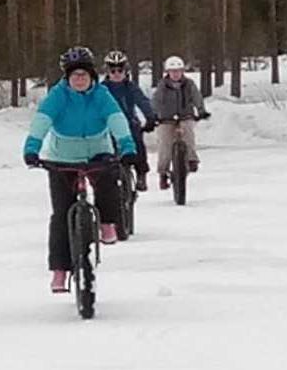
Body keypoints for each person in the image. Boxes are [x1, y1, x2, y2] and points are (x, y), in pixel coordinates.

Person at [23, 46, 137, 293]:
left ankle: (108, 222)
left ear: (92, 76)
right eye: (74, 75)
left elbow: (116, 119)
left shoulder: (102, 95)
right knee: (61, 216)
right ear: (67, 77)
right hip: (62, 158)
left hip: (98, 153)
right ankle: (60, 271)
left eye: (84, 75)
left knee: (110, 180)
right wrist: (32, 148)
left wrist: (127, 145)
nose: (79, 80)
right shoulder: (58, 96)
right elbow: (42, 121)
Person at [101, 49, 157, 191]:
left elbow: (142, 101)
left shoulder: (130, 87)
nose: (117, 74)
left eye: (120, 70)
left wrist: (150, 117)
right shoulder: (101, 89)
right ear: (107, 72)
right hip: (106, 125)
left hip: (128, 123)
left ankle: (141, 174)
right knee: (103, 151)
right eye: (112, 71)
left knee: (137, 142)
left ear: (126, 71)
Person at [151, 55, 210, 190]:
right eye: (172, 71)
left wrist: (201, 110)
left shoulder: (189, 84)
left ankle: (191, 159)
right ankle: (163, 173)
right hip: (166, 118)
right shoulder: (162, 86)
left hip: (185, 115)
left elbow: (197, 97)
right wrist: (153, 115)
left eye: (178, 71)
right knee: (165, 144)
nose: (175, 74)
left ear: (182, 71)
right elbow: (156, 101)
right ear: (168, 72)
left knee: (188, 133)